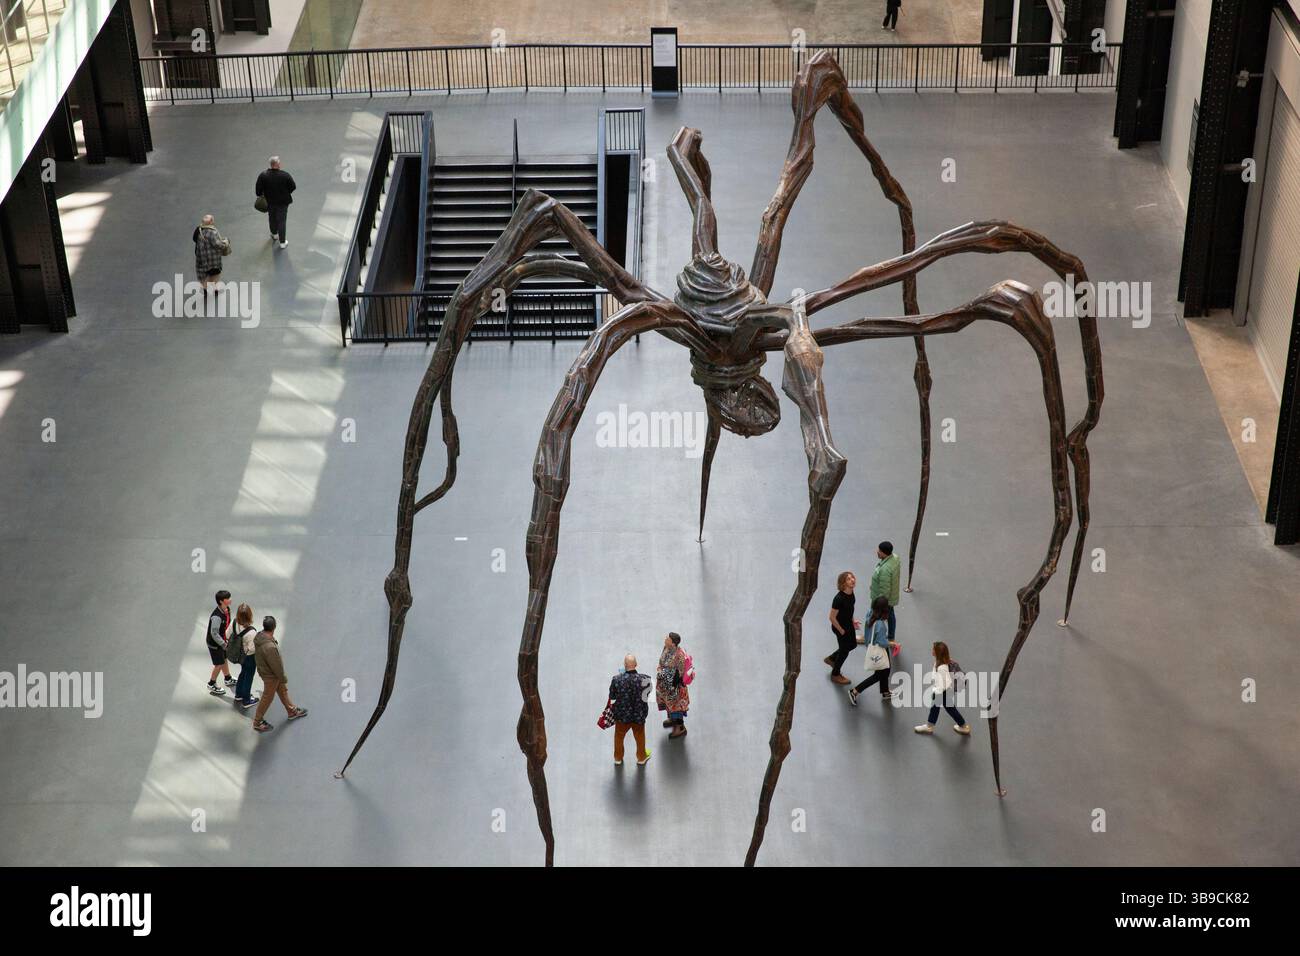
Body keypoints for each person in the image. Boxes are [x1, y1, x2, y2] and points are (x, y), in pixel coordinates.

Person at [251, 615, 308, 733]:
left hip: (266, 671)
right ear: (274, 627)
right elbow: (276, 666)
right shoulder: (270, 647)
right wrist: (283, 678)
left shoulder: (260, 637)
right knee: (267, 698)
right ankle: (257, 722)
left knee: (283, 691)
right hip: (271, 676)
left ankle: (291, 710)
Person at [848, 596, 898, 706]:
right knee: (881, 673)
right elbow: (883, 642)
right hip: (880, 649)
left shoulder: (870, 613)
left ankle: (885, 692)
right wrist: (892, 643)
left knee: (885, 670)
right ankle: (855, 691)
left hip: (871, 646)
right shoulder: (880, 625)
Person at [915, 642, 972, 735]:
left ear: (938, 652)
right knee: (948, 709)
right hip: (942, 692)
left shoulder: (942, 667)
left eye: (933, 649)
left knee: (941, 708)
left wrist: (936, 692)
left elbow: (945, 683)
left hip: (940, 692)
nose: (932, 650)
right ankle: (963, 726)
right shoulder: (940, 662)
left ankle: (930, 726)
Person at [607, 654, 652, 765]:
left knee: (619, 736)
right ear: (636, 665)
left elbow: (612, 696)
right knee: (640, 737)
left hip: (622, 715)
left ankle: (618, 758)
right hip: (639, 715)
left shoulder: (616, 679)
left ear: (625, 665)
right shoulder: (646, 679)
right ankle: (641, 758)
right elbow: (648, 696)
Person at [823, 571, 861, 685]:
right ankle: (835, 674)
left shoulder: (851, 593)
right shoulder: (839, 598)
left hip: (848, 625)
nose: (852, 580)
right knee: (844, 651)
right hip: (840, 627)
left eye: (852, 577)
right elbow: (832, 617)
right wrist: (841, 630)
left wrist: (853, 621)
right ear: (843, 583)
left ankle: (832, 658)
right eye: (848, 579)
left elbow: (850, 610)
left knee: (853, 644)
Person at [256, 156, 297, 249]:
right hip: (282, 203)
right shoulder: (285, 175)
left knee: (272, 218)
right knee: (281, 221)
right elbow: (293, 186)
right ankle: (282, 242)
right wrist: (286, 193)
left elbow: (258, 191)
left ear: (271, 164)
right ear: (278, 164)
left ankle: (274, 234)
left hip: (269, 202)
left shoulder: (263, 175)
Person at [656, 632, 691, 739]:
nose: (665, 639)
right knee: (669, 705)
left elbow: (679, 674)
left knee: (677, 707)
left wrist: (671, 687)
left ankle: (680, 728)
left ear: (673, 643)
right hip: (665, 684)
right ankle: (672, 719)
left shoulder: (679, 655)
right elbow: (662, 662)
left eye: (668, 638)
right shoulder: (666, 648)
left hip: (674, 687)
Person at [228, 603, 260, 710]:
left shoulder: (234, 622)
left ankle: (239, 694)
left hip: (239, 654)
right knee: (249, 676)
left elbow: (227, 634)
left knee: (243, 672)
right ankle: (246, 700)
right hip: (249, 656)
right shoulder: (251, 632)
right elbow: (252, 648)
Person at [205, 590, 236, 696]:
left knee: (224, 659)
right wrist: (223, 644)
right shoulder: (217, 617)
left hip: (223, 641)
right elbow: (214, 633)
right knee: (218, 664)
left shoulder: (226, 610)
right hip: (215, 644)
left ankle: (227, 678)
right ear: (221, 601)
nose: (230, 599)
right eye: (228, 598)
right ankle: (211, 683)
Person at [870, 540, 901, 644]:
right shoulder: (895, 558)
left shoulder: (885, 570)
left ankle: (876, 637)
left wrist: (879, 605)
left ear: (884, 553)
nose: (877, 552)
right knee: (891, 615)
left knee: (879, 617)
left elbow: (884, 590)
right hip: (892, 596)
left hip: (884, 599)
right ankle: (891, 636)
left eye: (879, 551)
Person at [192, 214, 229, 291]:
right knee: (215, 274)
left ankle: (205, 288)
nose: (205, 217)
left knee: (205, 274)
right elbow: (217, 244)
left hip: (201, 257)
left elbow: (194, 239)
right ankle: (215, 289)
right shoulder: (212, 232)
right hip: (212, 259)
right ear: (211, 222)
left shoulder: (198, 230)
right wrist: (226, 243)